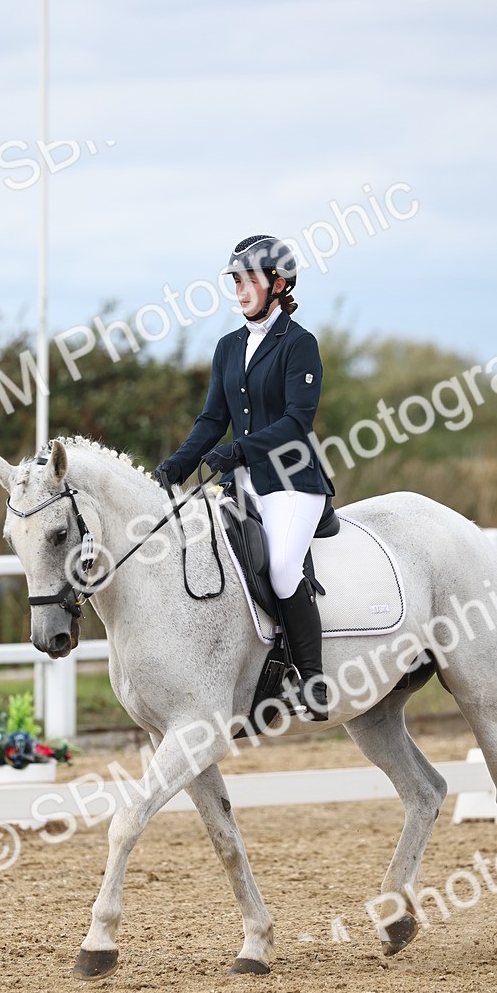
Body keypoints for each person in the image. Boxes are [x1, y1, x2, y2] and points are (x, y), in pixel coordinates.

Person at [155, 235, 334, 721]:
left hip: (292, 484)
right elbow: (213, 418)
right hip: (243, 486)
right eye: (236, 280)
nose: (240, 288)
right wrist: (179, 462)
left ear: (279, 284)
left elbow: (298, 420)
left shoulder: (299, 344)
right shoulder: (228, 347)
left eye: (249, 279)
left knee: (281, 569)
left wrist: (239, 450)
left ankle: (313, 679)